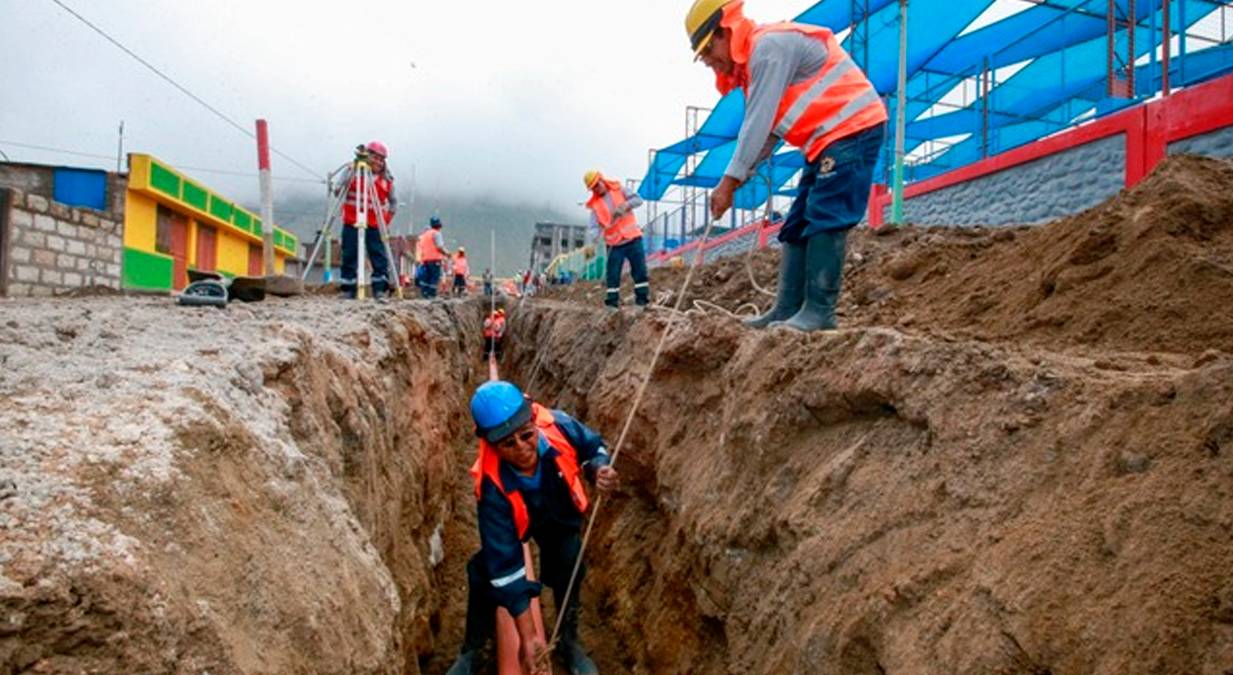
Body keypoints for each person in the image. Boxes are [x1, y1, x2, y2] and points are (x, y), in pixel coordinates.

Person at [686, 0, 887, 331]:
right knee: (795, 225)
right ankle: (787, 309)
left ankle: (819, 312)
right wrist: (738, 178)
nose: (709, 61)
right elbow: (767, 134)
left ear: (725, 32)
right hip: (825, 141)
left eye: (708, 50)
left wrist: (728, 181)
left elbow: (756, 123)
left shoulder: (768, 49)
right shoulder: (756, 65)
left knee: (826, 216)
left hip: (852, 129)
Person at [445, 381, 616, 675]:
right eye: (508, 444)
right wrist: (529, 638)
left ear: (533, 420)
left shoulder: (559, 427)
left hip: (555, 513)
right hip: (514, 519)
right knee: (485, 571)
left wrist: (599, 467)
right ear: (490, 443)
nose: (523, 448)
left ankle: (568, 641)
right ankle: (473, 649)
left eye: (526, 435)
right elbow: (506, 567)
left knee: (569, 559)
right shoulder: (491, 487)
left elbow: (592, 446)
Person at [337, 141, 396, 298]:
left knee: (378, 256)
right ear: (367, 156)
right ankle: (348, 288)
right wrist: (351, 169)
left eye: (381, 159)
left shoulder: (386, 180)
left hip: (375, 224)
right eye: (374, 157)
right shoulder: (353, 172)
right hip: (351, 222)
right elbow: (338, 190)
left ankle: (379, 289)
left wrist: (386, 219)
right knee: (349, 254)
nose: (377, 162)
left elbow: (393, 202)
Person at [583, 170, 650, 309]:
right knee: (613, 275)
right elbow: (593, 228)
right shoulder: (595, 206)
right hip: (614, 244)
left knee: (640, 271)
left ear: (602, 179)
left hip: (632, 238)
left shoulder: (619, 190)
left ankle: (642, 301)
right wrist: (595, 237)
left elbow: (638, 200)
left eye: (597, 184)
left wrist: (625, 205)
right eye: (593, 187)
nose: (597, 188)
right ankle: (612, 304)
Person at [416, 216, 449, 298]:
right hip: (435, 259)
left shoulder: (425, 235)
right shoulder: (436, 233)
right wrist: (447, 253)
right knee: (434, 277)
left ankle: (425, 294)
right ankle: (432, 294)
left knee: (427, 277)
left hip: (426, 259)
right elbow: (439, 247)